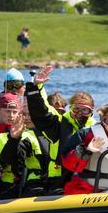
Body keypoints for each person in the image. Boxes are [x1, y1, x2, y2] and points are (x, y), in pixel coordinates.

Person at [24, 65, 94, 193]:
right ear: (70, 109)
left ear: (91, 111)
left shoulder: (97, 129)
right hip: (60, 180)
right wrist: (36, 87)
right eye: (76, 109)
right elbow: (42, 112)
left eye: (85, 109)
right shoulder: (59, 125)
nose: (80, 113)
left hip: (88, 180)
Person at [0, 107, 47, 199]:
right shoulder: (2, 138)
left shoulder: (46, 137)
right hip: (8, 186)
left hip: (35, 185)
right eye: (24, 114)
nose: (27, 118)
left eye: (30, 115)